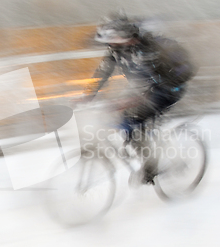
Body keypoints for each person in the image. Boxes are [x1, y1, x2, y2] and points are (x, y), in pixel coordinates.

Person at [77, 11, 196, 184]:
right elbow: (102, 73)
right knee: (115, 115)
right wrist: (87, 96)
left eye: (113, 38)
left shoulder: (150, 49)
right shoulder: (117, 50)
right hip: (143, 88)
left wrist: (137, 98)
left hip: (168, 89)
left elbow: (160, 78)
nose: (110, 43)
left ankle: (151, 165)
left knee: (133, 122)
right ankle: (138, 145)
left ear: (125, 34)